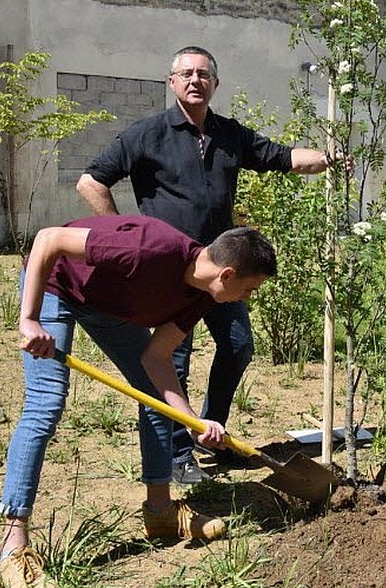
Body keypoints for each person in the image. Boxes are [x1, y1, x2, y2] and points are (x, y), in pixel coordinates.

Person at [76, 46, 339, 485]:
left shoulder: (229, 135)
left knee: (237, 345)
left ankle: (209, 433)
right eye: (186, 74)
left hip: (222, 272)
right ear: (172, 82)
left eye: (204, 74)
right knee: (170, 361)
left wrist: (330, 159)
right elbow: (91, 181)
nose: (195, 80)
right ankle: (177, 455)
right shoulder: (148, 134)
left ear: (215, 84)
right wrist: (121, 236)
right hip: (169, 274)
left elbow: (280, 156)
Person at [0, 214, 277, 588]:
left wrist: (192, 421)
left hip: (106, 306)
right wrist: (28, 319)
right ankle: (12, 547)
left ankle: (160, 511)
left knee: (154, 397)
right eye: (249, 289)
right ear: (227, 274)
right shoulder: (151, 248)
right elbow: (48, 238)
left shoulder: (200, 296)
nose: (247, 299)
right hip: (57, 286)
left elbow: (157, 359)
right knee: (46, 405)